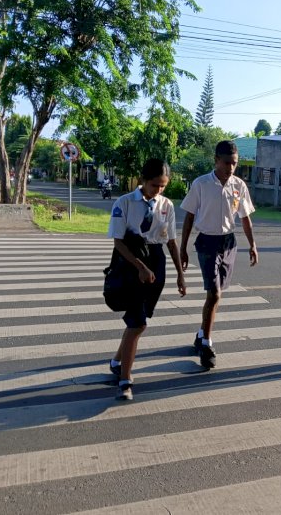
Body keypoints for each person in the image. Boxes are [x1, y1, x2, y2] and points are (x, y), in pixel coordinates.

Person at [106, 159, 187, 400]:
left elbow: (171, 241)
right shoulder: (125, 203)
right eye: (154, 185)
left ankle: (116, 361)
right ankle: (125, 380)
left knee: (136, 321)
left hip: (156, 262)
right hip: (131, 262)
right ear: (143, 179)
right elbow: (118, 241)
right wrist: (140, 266)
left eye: (163, 186)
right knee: (138, 323)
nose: (158, 191)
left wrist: (180, 275)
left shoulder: (167, 205)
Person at [180, 140, 258, 369]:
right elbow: (189, 217)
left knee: (217, 294)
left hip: (228, 243)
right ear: (216, 160)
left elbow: (245, 217)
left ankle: (201, 333)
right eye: (226, 163)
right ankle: (206, 343)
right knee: (213, 293)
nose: (230, 168)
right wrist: (183, 248)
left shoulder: (239, 185)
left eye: (234, 163)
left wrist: (253, 245)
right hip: (206, 242)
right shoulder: (201, 184)